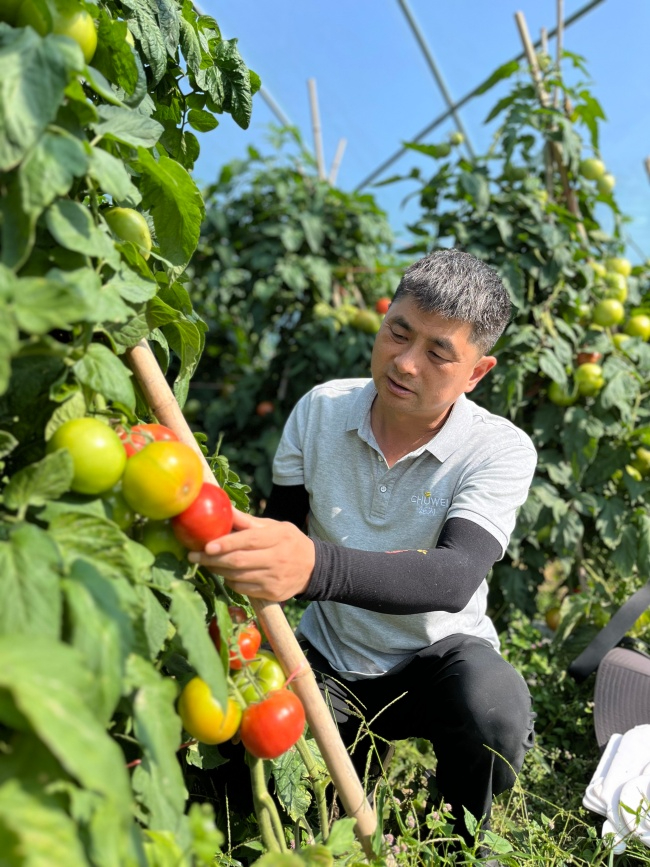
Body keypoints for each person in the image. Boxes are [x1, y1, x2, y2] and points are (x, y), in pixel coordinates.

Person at [190, 248, 537, 849]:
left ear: (477, 372)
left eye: (438, 353)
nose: (405, 363)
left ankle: (456, 840)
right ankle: (348, 777)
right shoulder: (320, 411)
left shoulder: (498, 449)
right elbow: (284, 526)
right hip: (331, 657)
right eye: (397, 333)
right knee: (257, 791)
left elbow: (453, 576)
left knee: (493, 714)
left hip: (437, 660)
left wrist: (314, 566)